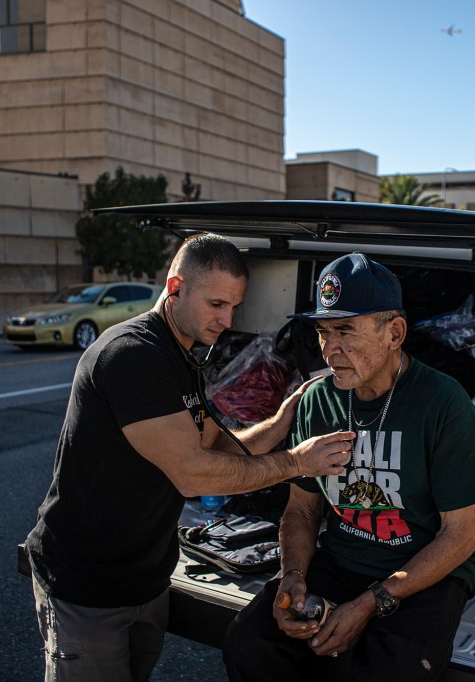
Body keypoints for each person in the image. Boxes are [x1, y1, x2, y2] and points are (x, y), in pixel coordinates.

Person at [25, 233, 354, 681]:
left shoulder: (181, 355)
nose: (226, 319)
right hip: (88, 587)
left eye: (234, 307)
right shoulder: (133, 355)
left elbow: (221, 448)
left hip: (144, 579)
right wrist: (297, 462)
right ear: (175, 286)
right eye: (216, 304)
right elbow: (194, 475)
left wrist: (281, 420)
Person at [223, 253, 475, 682]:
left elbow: (461, 537)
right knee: (250, 643)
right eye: (322, 332)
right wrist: (292, 578)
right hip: (342, 560)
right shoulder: (316, 400)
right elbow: (301, 510)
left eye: (345, 331)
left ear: (394, 333)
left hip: (425, 574)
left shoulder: (443, 403)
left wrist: (370, 603)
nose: (329, 349)